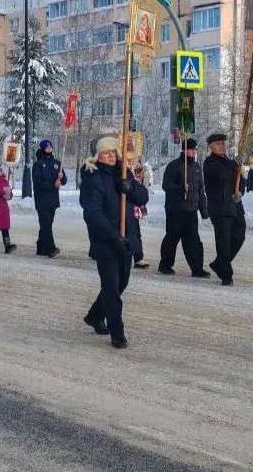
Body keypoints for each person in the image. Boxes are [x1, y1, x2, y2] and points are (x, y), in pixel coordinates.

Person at [79, 137, 148, 349]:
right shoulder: (92, 178)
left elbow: (143, 197)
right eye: (105, 152)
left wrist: (130, 188)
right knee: (111, 288)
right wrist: (113, 236)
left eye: (112, 152)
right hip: (106, 241)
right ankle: (117, 332)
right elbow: (93, 214)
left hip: (126, 240)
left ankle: (94, 315)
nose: (110, 155)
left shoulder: (123, 173)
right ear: (97, 156)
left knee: (121, 283)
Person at [159, 138, 210, 278]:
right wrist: (181, 187)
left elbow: (200, 190)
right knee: (172, 238)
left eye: (195, 149)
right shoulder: (174, 166)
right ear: (184, 150)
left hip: (191, 210)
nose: (194, 152)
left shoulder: (197, 167)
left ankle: (197, 269)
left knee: (193, 240)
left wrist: (204, 210)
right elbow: (166, 186)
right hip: (175, 209)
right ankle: (165, 265)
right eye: (192, 149)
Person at [202, 133, 246, 286]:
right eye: (218, 144)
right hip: (220, 209)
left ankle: (219, 263)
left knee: (239, 237)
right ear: (211, 147)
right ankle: (226, 275)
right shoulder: (209, 163)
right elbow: (222, 175)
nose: (221, 146)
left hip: (235, 206)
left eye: (222, 143)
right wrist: (235, 164)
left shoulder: (229, 162)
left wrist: (240, 192)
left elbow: (241, 180)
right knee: (223, 242)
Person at [32, 139, 67, 257]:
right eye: (47, 147)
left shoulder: (57, 163)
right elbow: (38, 182)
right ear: (43, 149)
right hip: (42, 199)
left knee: (46, 225)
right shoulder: (38, 164)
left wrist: (62, 177)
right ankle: (51, 248)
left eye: (50, 147)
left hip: (53, 200)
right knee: (46, 224)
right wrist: (53, 184)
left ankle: (41, 247)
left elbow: (64, 181)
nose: (49, 149)